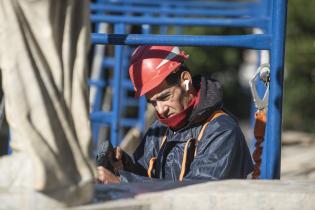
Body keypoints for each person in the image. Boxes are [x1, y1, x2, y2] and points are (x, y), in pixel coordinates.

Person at [97, 45, 253, 184]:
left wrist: (123, 182)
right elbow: (148, 177)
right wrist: (124, 166)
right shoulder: (159, 128)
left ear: (186, 81)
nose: (160, 110)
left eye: (165, 97)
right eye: (153, 103)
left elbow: (197, 195)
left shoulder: (223, 132)